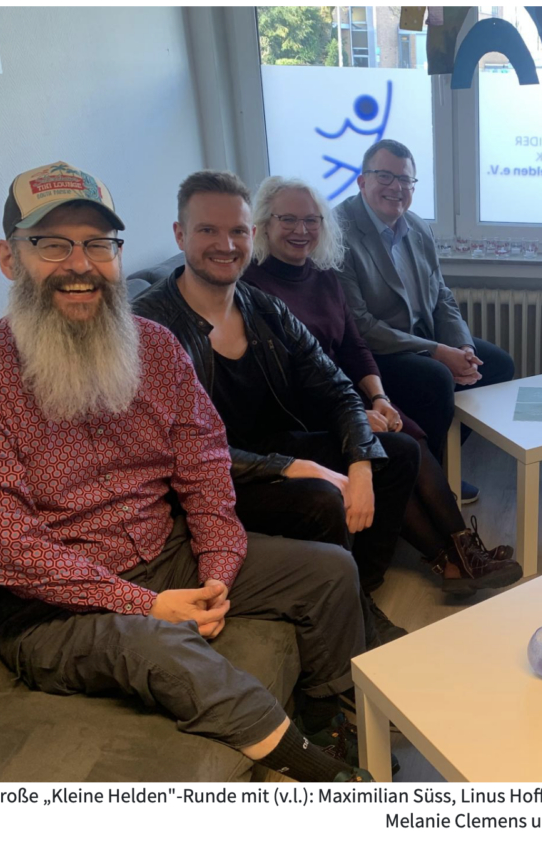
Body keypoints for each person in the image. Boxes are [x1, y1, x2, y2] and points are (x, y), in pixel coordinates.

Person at [0, 161, 371, 782]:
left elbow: (206, 470)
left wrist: (216, 572)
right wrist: (145, 604)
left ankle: (330, 711)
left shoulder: (156, 348)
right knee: (160, 644)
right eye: (52, 245)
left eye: (98, 244)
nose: (80, 265)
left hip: (168, 554)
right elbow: (7, 546)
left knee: (329, 571)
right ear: (9, 258)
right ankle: (325, 777)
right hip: (52, 608)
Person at [132, 170, 417, 644]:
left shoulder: (265, 308)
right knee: (321, 498)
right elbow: (169, 453)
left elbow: (338, 388)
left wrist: (360, 464)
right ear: (180, 235)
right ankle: (358, 621)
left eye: (236, 231)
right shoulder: (148, 326)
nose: (226, 244)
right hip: (206, 483)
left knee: (398, 453)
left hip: (272, 448)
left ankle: (359, 591)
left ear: (252, 234)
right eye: (208, 230)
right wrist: (289, 467)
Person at [241, 175, 521, 593]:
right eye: (288, 220)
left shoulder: (323, 275)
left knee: (411, 436)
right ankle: (448, 559)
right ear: (263, 224)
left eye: (312, 220)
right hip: (304, 409)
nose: (302, 230)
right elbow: (286, 381)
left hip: (345, 392)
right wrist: (353, 416)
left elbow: (353, 346)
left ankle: (463, 552)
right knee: (393, 450)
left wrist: (379, 396)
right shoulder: (253, 287)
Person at [334, 139, 515, 504]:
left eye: (405, 179)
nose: (396, 187)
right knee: (436, 378)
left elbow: (441, 295)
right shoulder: (339, 231)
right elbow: (360, 325)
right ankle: (425, 483)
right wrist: (437, 352)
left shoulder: (418, 227)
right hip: (375, 352)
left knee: (497, 365)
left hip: (422, 338)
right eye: (385, 176)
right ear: (362, 181)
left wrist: (462, 346)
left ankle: (438, 463)